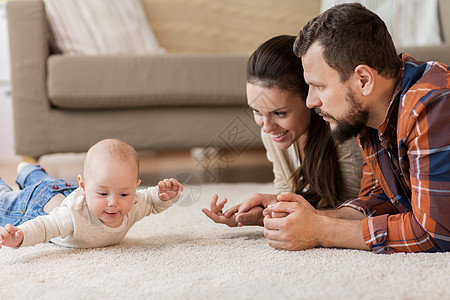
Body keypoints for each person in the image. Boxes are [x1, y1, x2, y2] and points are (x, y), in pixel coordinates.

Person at [258, 3, 450, 254]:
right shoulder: (369, 117)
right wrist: (306, 216)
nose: (310, 101)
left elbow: (435, 233)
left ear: (364, 80)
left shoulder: (431, 105)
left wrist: (321, 231)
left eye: (319, 86)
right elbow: (381, 201)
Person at [202, 35, 363, 227]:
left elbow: (357, 212)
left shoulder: (343, 132)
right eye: (257, 112)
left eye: (279, 113)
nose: (267, 126)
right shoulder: (273, 133)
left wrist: (276, 214)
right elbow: (290, 196)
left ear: (310, 98)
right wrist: (262, 213)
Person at [0, 138, 183, 249]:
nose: (113, 203)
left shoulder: (134, 202)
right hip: (40, 205)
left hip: (60, 190)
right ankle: (28, 174)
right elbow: (45, 227)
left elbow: (151, 201)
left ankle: (29, 171)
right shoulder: (72, 216)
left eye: (124, 195)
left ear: (135, 188)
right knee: (5, 202)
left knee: (48, 183)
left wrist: (165, 196)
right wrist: (20, 236)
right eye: (103, 194)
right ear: (84, 186)